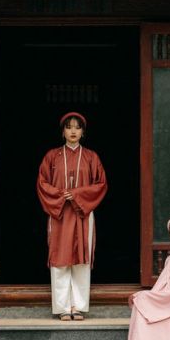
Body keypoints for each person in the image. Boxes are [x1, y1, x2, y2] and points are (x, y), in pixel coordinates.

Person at [37, 112, 107, 321]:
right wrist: (61, 195)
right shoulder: (51, 156)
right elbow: (42, 183)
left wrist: (76, 195)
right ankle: (62, 307)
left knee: (81, 259)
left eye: (77, 127)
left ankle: (77, 306)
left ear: (83, 132)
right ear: (63, 131)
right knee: (60, 258)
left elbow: (101, 184)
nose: (73, 131)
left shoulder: (92, 157)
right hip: (58, 213)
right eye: (69, 127)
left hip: (83, 213)